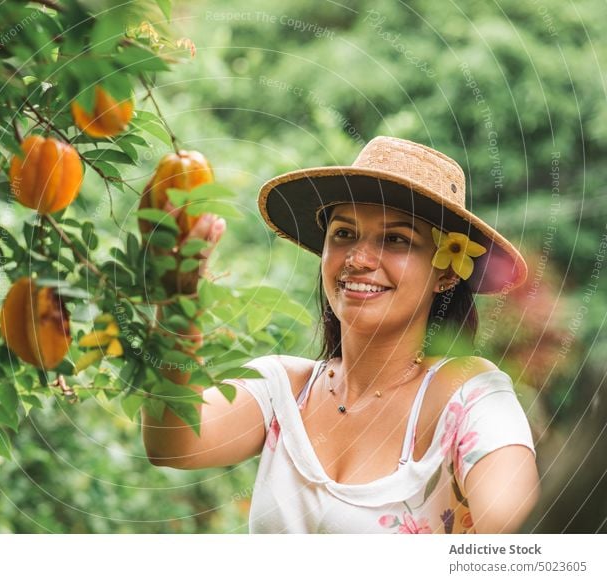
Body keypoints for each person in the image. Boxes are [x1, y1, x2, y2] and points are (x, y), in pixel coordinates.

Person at [142, 136, 540, 534]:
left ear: (448, 272)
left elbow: (519, 534)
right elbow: (173, 441)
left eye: (396, 239)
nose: (358, 259)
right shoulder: (282, 389)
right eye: (345, 234)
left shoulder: (470, 397)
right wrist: (177, 297)